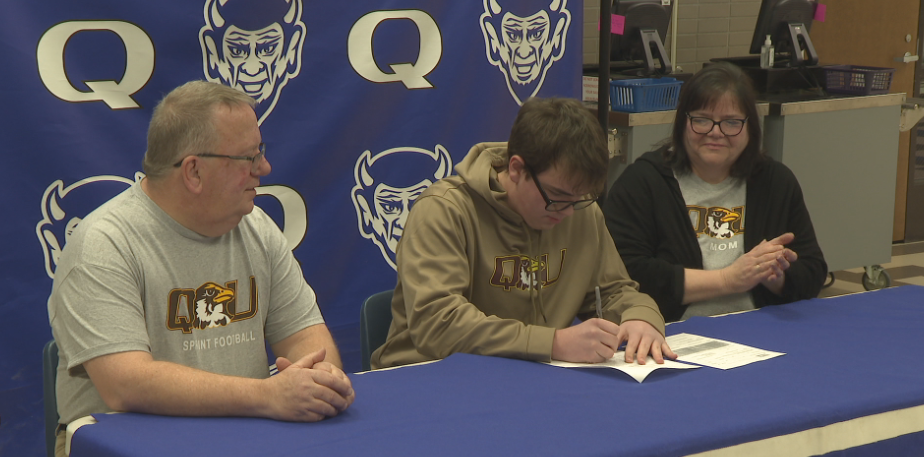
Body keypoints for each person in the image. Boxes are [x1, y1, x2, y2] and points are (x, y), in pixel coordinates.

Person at [47, 81, 354, 457]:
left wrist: (322, 380)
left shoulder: (256, 227)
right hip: (123, 445)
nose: (265, 167)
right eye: (249, 157)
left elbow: (308, 337)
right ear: (193, 172)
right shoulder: (104, 243)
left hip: (245, 435)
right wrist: (268, 395)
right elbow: (125, 385)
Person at [371, 97, 676, 370]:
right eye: (557, 196)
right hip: (426, 379)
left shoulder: (580, 211)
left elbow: (614, 291)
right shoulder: (444, 211)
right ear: (516, 169)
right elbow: (438, 324)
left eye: (580, 198)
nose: (568, 212)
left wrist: (640, 316)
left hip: (527, 379)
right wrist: (553, 343)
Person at [602, 62, 827, 322]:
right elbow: (625, 276)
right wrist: (728, 279)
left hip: (761, 332)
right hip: (671, 336)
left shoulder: (775, 181)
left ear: (750, 128)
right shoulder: (644, 182)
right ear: (683, 122)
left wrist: (775, 276)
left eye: (731, 123)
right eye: (702, 120)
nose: (715, 133)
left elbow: (812, 272)